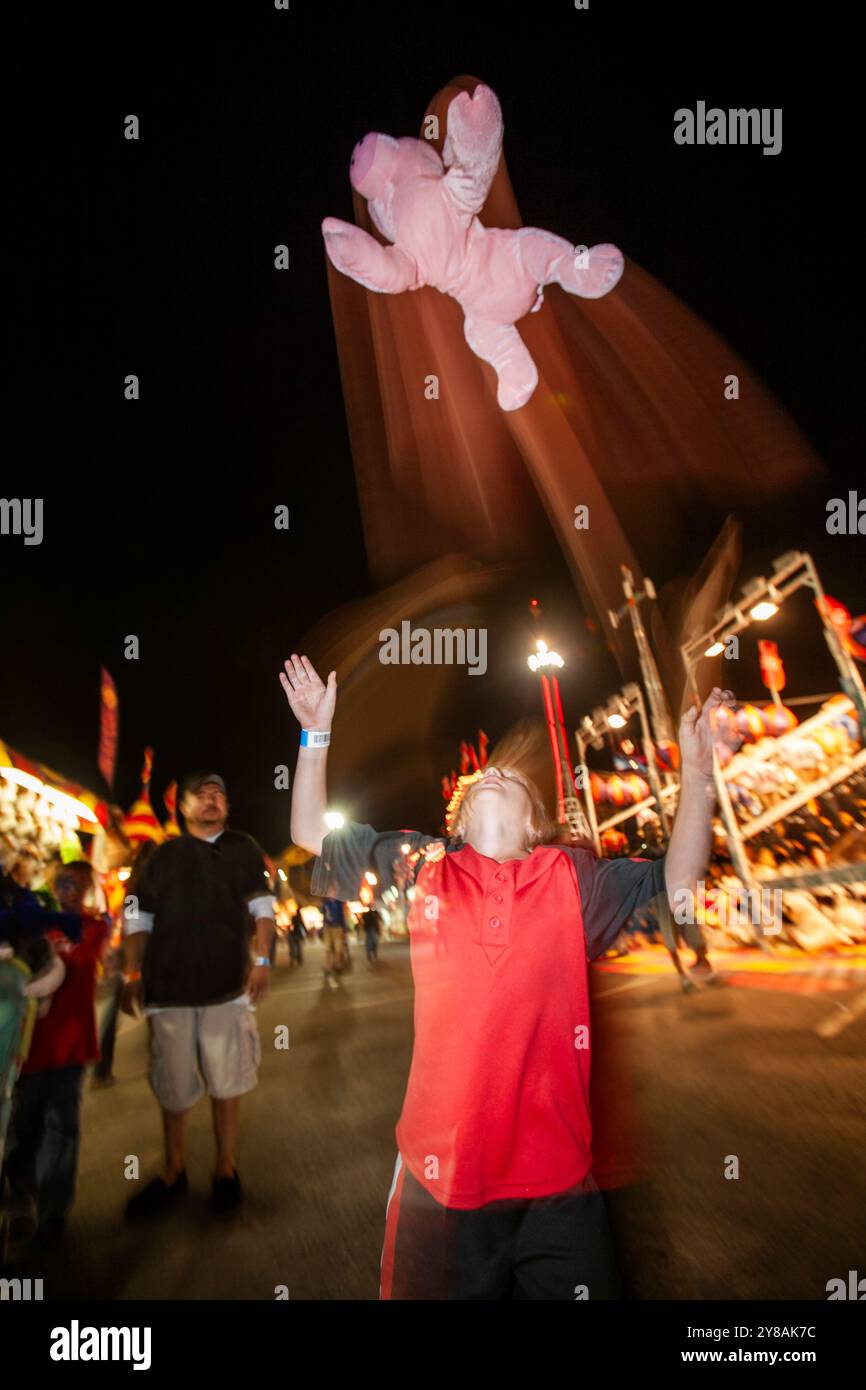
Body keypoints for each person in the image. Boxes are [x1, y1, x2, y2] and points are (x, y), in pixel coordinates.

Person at [282, 653, 728, 1300]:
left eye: (509, 778)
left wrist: (696, 771)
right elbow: (307, 831)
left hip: (559, 1184)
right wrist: (314, 736)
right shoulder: (425, 863)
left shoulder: (574, 880)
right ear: (457, 824)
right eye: (478, 778)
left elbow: (680, 881)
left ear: (534, 824)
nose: (489, 771)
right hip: (442, 1179)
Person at [121, 771, 275, 1219]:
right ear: (182, 807)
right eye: (201, 795)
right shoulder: (161, 855)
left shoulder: (242, 848)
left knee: (227, 1081)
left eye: (219, 795)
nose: (212, 800)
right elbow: (137, 916)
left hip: (227, 988)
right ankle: (173, 1171)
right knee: (173, 1085)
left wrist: (262, 961)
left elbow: (262, 909)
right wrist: (132, 970)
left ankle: (225, 1170)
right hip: (167, 990)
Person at [4, 860, 109, 1239]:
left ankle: (53, 1210)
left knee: (61, 1127)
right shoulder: (31, 923)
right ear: (52, 883)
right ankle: (20, 1200)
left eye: (80, 884)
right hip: (28, 1047)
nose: (72, 890)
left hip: (71, 1048)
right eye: (65, 882)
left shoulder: (94, 926)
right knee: (23, 1126)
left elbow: (81, 962)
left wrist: (44, 952)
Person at [320, 896, 347, 985]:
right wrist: (324, 905)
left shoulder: (339, 903)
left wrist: (344, 928)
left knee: (338, 948)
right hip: (328, 928)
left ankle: (337, 964)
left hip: (337, 927)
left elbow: (342, 915)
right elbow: (321, 912)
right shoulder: (326, 903)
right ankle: (327, 966)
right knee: (327, 948)